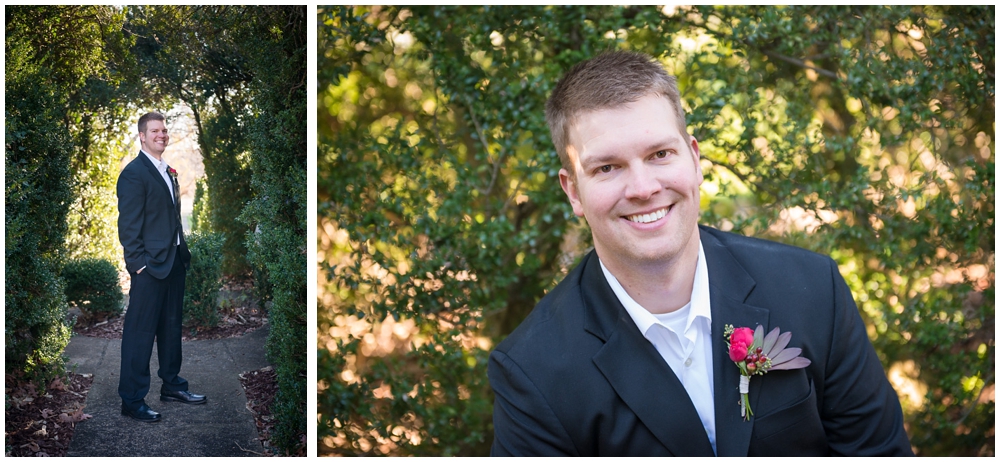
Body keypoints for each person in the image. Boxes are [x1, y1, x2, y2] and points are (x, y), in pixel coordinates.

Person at [487, 51, 913, 456]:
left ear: (694, 158)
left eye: (659, 154)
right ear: (573, 191)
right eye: (607, 168)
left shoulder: (814, 291)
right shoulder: (533, 371)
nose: (643, 188)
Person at [117, 112, 206, 422]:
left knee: (170, 330)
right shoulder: (134, 173)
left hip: (174, 263)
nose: (162, 135)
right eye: (155, 130)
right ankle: (132, 399)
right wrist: (138, 265)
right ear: (142, 136)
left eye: (164, 130)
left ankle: (172, 385)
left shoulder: (168, 171)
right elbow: (128, 227)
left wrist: (181, 252)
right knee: (139, 334)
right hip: (149, 268)